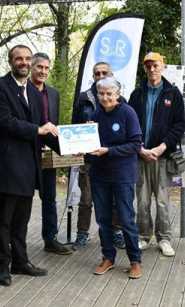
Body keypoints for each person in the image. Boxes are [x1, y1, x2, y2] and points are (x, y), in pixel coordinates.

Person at [0, 45, 59, 287]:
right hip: (7, 165)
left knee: (22, 221)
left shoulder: (35, 93)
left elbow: (43, 131)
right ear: (10, 61)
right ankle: (3, 267)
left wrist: (69, 146)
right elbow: (4, 122)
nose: (24, 63)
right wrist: (39, 129)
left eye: (28, 59)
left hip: (29, 167)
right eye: (19, 59)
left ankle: (21, 261)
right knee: (4, 222)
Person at [128, 52, 185, 257]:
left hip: (163, 156)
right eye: (148, 66)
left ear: (163, 66)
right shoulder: (137, 94)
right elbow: (129, 124)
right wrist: (140, 148)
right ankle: (143, 236)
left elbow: (179, 125)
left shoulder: (173, 93)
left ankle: (164, 238)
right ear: (144, 68)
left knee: (162, 201)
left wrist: (162, 147)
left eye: (156, 65)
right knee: (142, 201)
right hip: (140, 155)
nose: (152, 69)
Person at [88, 76, 143, 279]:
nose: (104, 98)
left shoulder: (128, 113)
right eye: (101, 94)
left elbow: (136, 145)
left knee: (126, 219)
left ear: (118, 94)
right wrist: (81, 149)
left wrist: (108, 151)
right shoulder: (95, 115)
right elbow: (90, 145)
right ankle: (108, 257)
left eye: (108, 94)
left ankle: (135, 260)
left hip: (122, 175)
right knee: (103, 219)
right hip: (99, 175)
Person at [71, 62, 125, 251]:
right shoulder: (84, 98)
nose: (100, 76)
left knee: (113, 199)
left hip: (111, 159)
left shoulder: (121, 99)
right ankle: (82, 234)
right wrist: (75, 146)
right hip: (89, 159)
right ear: (93, 76)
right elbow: (75, 126)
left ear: (111, 75)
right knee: (86, 199)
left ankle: (117, 232)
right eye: (97, 73)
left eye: (104, 73)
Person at [28, 52, 72, 255]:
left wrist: (70, 148)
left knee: (50, 198)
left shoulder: (53, 93)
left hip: (48, 152)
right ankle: (13, 241)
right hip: (25, 152)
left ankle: (50, 238)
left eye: (46, 68)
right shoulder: (22, 90)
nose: (43, 71)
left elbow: (54, 126)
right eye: (40, 67)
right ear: (31, 67)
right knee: (21, 199)